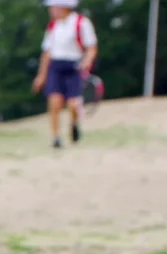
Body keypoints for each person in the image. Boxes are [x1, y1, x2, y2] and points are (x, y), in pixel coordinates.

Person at [32, 0, 98, 149]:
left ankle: (74, 124)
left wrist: (87, 61)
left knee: (73, 104)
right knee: (54, 102)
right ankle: (56, 137)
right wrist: (41, 75)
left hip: (74, 67)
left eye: (53, 7)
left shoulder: (81, 23)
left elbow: (91, 47)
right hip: (56, 67)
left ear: (64, 7)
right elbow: (47, 53)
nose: (51, 10)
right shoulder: (53, 26)